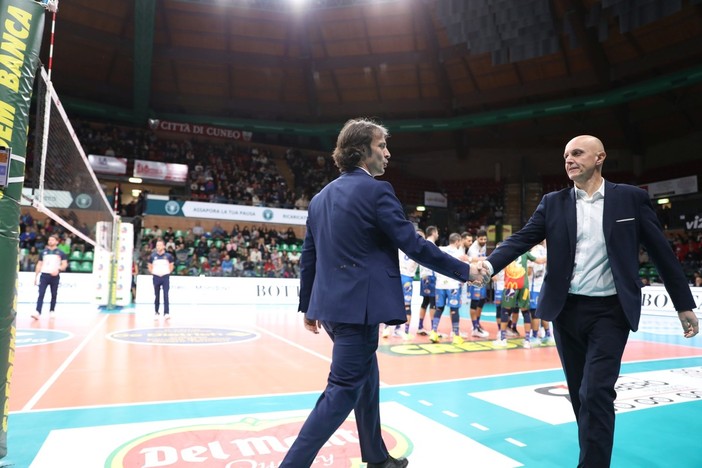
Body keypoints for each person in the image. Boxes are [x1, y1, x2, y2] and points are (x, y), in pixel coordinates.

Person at [483, 135, 698, 467]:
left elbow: (662, 253)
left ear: (600, 158)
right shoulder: (552, 202)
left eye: (578, 153)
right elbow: (522, 239)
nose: (569, 159)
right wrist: (488, 264)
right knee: (581, 396)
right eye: (566, 155)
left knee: (596, 392)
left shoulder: (630, 199)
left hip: (611, 312)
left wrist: (684, 304)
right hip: (566, 311)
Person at [283, 118, 483, 468]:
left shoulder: (319, 199)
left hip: (331, 309)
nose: (388, 154)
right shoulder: (377, 191)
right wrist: (464, 270)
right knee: (342, 391)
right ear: (361, 150)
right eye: (382, 146)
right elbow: (413, 245)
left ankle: (376, 458)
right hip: (358, 310)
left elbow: (309, 257)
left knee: (367, 379)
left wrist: (308, 307)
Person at [32, 234, 68, 319]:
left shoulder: (61, 253)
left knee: (54, 294)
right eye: (49, 240)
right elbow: (39, 264)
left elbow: (64, 264)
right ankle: (37, 311)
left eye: (52, 240)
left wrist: (58, 269)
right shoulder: (43, 252)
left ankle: (52, 310)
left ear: (56, 242)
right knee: (41, 294)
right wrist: (36, 276)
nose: (50, 241)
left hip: (54, 276)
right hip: (44, 275)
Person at [417, 226, 439, 336]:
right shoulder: (431, 244)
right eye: (437, 232)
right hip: (430, 276)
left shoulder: (425, 243)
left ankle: (420, 326)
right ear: (434, 233)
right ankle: (433, 330)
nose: (438, 235)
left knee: (425, 301)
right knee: (433, 302)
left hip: (424, 276)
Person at [148, 239, 174, 320]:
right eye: (157, 245)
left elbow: (171, 266)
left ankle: (166, 313)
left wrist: (167, 272)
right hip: (156, 277)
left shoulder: (168, 256)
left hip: (165, 277)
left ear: (163, 246)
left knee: (166, 295)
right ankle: (156, 312)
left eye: (160, 245)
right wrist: (154, 272)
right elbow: (149, 266)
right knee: (156, 295)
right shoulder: (152, 256)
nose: (158, 247)